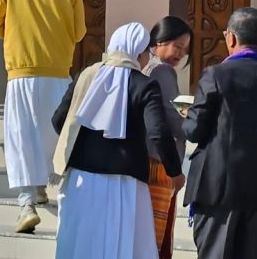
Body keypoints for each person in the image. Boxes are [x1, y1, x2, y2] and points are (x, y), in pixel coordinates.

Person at [0, 0, 86, 234]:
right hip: (58, 73)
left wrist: (14, 33)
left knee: (22, 135)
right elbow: (79, 31)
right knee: (54, 136)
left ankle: (27, 202)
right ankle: (54, 192)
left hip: (22, 71)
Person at [51, 22, 184, 259]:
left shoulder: (87, 76)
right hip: (126, 185)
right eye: (146, 53)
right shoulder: (145, 84)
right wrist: (175, 170)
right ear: (139, 53)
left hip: (82, 180)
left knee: (82, 246)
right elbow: (158, 131)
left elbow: (59, 120)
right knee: (123, 246)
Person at [183, 7, 257, 259]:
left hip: (217, 187)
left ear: (232, 38)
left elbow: (194, 131)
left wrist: (185, 115)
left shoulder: (215, 75)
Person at [143, 16, 193, 259]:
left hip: (143, 158)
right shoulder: (162, 71)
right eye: (178, 47)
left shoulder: (145, 65)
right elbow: (175, 119)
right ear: (160, 41)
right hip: (159, 162)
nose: (181, 55)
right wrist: (195, 122)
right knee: (156, 237)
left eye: (184, 51)